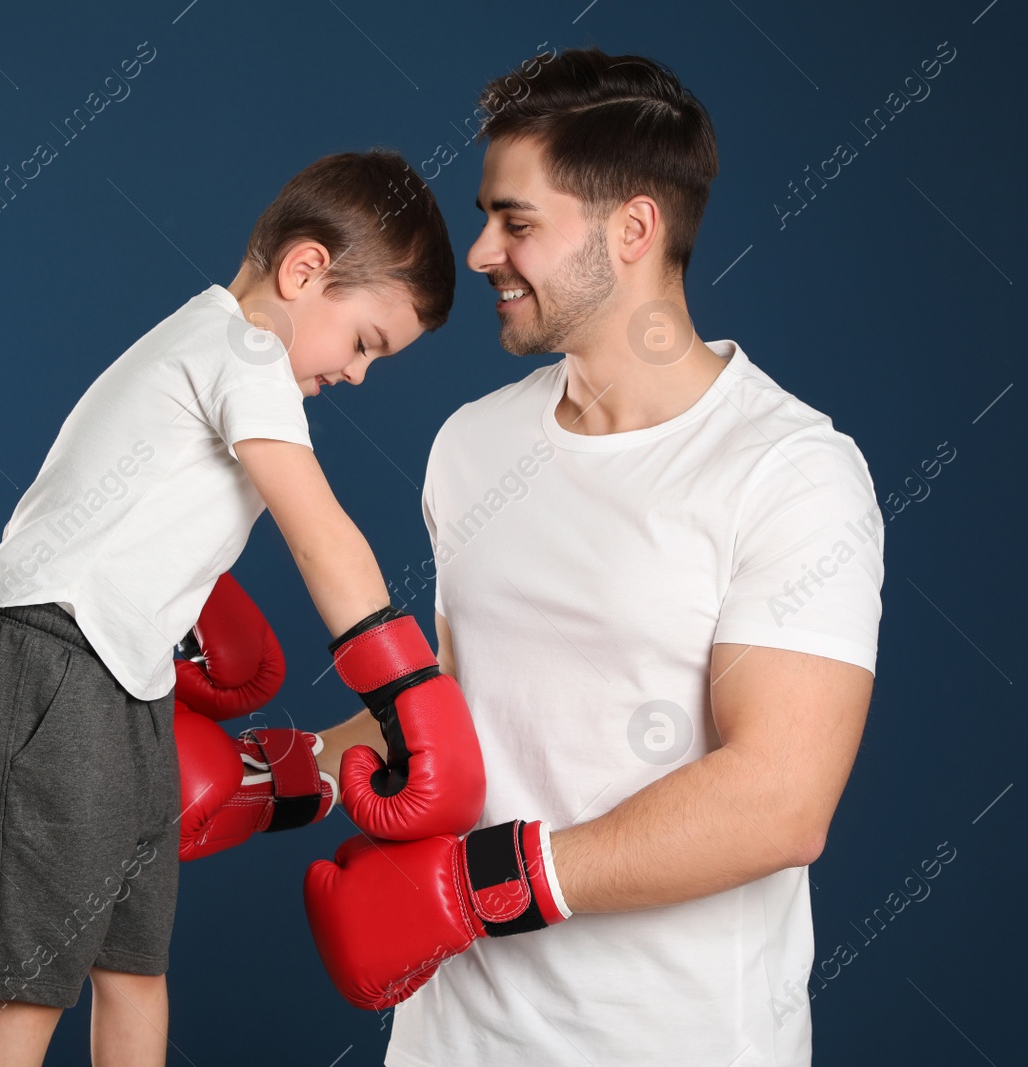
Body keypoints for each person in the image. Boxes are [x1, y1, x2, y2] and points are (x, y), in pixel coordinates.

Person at [303, 49, 886, 1066]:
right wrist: (276, 774)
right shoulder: (473, 444)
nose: (481, 251)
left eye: (516, 221)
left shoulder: (788, 470)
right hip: (452, 1040)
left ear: (632, 229)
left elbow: (779, 797)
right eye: (487, 216)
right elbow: (463, 703)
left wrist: (479, 885)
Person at [0, 149, 485, 1067]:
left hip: (123, 675)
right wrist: (409, 688)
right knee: (30, 985)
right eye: (364, 341)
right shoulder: (239, 350)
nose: (357, 373)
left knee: (134, 966)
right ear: (305, 272)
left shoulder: (217, 354)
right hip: (50, 653)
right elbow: (321, 534)